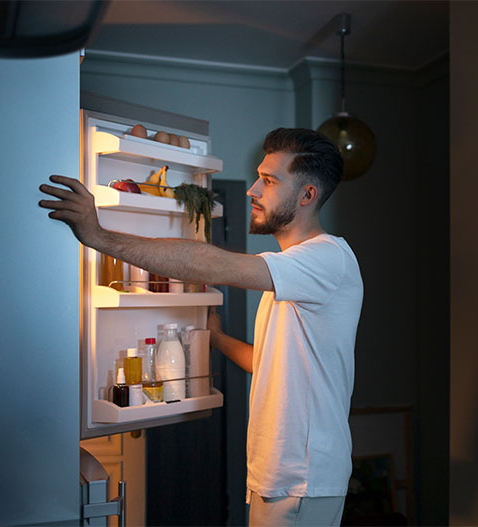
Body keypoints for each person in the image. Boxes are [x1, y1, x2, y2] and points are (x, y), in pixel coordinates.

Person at [39, 127, 364, 526]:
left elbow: (213, 264)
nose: (253, 191)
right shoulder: (295, 274)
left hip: (302, 480)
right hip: (277, 476)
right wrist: (217, 338)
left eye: (269, 180)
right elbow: (269, 364)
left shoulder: (328, 259)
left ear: (307, 195)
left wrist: (99, 236)